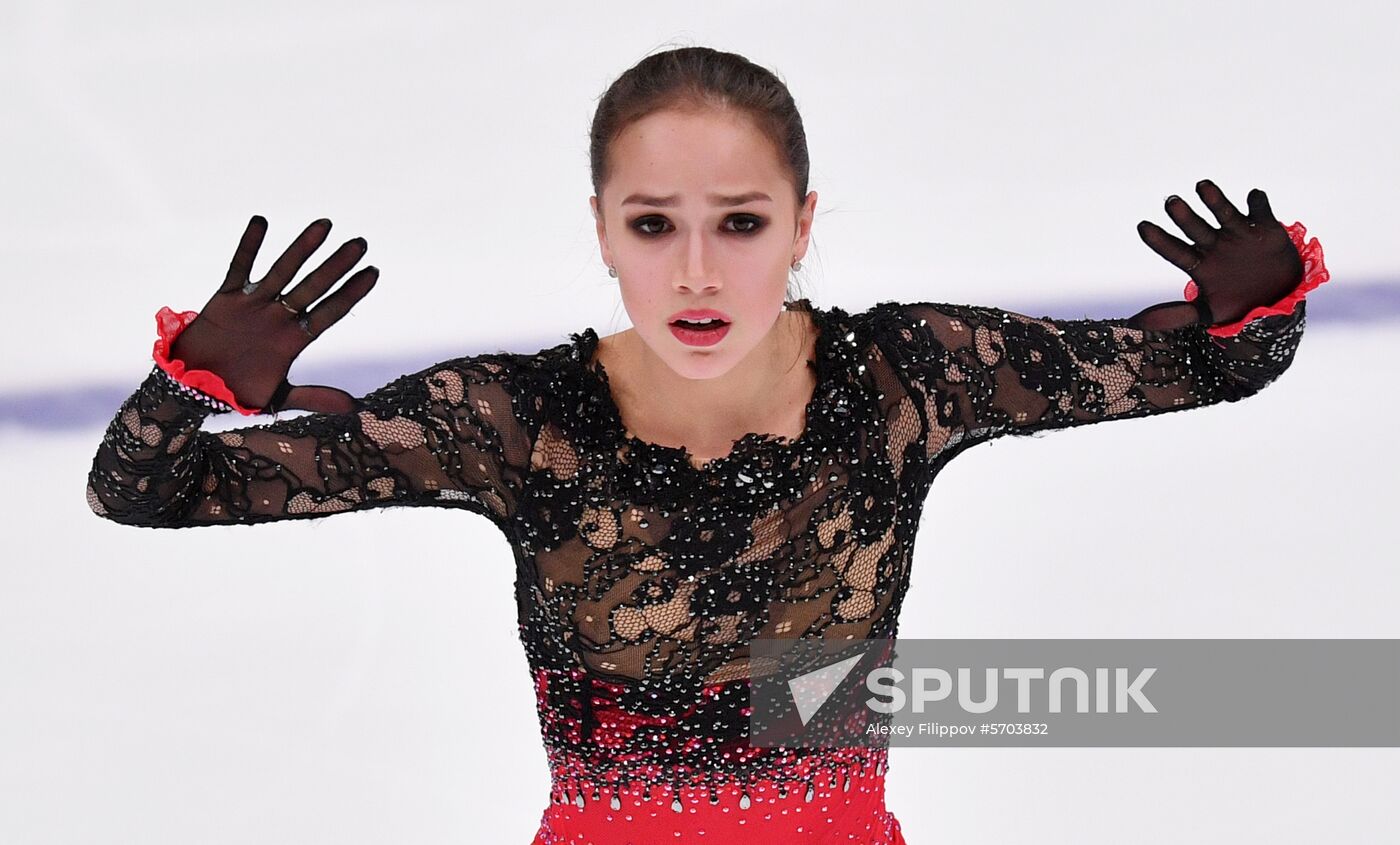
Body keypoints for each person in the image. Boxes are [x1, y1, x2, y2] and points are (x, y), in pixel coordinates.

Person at [85, 46, 1330, 845]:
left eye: (738, 221)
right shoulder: (510, 421)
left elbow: (1215, 370)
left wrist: (1255, 306)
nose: (694, 270)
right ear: (602, 230)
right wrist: (184, 386)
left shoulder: (910, 376)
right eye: (651, 222)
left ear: (798, 223)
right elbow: (143, 495)